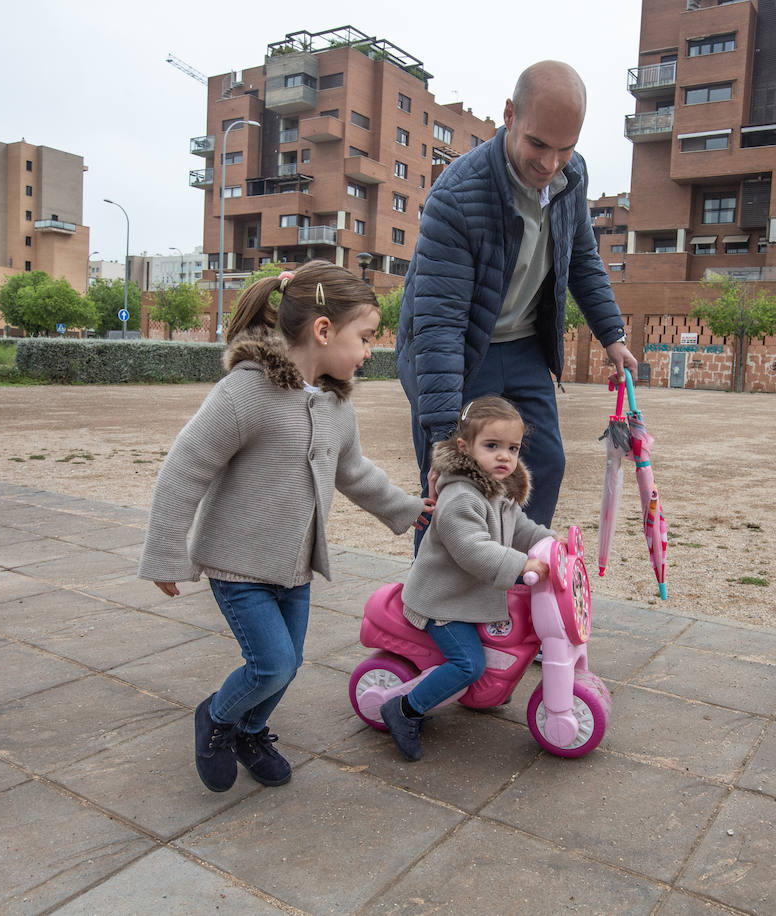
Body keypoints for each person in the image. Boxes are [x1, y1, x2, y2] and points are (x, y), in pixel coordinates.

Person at [138, 260, 434, 793]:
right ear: (323, 330)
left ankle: (252, 730)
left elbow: (355, 472)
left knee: (289, 663)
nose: (370, 351)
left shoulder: (335, 407)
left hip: (294, 568)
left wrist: (409, 509)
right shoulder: (246, 393)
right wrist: (165, 551)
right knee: (271, 665)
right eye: (365, 337)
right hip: (238, 565)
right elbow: (185, 468)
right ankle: (217, 720)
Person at [395, 60, 638, 533]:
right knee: (456, 483)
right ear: (509, 115)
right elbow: (439, 325)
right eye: (538, 144)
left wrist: (613, 335)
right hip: (462, 350)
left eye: (565, 149)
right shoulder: (457, 196)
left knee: (544, 465)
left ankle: (516, 579)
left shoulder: (573, 179)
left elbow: (583, 257)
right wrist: (444, 443)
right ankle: (432, 601)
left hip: (524, 345)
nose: (549, 164)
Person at [379, 396, 554, 761]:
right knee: (468, 663)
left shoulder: (497, 488)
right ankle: (405, 710)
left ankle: (481, 691)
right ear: (465, 448)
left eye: (512, 448)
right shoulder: (461, 496)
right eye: (492, 446)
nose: (504, 456)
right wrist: (523, 565)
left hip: (466, 597)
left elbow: (518, 526)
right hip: (443, 601)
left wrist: (549, 543)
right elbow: (473, 550)